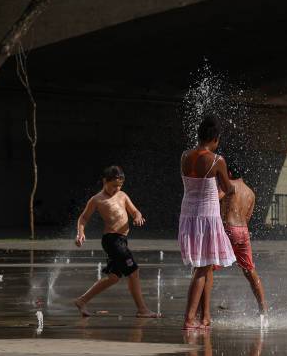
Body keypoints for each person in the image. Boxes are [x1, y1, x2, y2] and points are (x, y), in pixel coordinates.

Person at [73, 166, 159, 318]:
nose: (117, 188)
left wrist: (138, 217)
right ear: (105, 181)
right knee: (133, 271)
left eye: (120, 185)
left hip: (122, 240)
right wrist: (81, 233)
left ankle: (82, 300)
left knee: (113, 277)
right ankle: (142, 309)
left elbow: (134, 211)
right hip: (112, 240)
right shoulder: (97, 199)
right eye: (114, 185)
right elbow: (83, 218)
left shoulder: (123, 195)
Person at [179, 115, 236, 330]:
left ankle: (204, 317)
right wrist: (231, 187)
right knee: (202, 269)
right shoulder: (216, 160)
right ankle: (189, 318)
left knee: (204, 265)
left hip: (188, 216)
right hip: (207, 217)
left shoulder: (184, 156)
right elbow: (228, 187)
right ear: (215, 139)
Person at [220, 160, 267, 316]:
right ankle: (263, 310)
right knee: (250, 270)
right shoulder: (250, 193)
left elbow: (212, 201)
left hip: (228, 229)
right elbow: (247, 218)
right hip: (243, 231)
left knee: (206, 268)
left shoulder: (228, 186)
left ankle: (201, 313)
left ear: (230, 174)